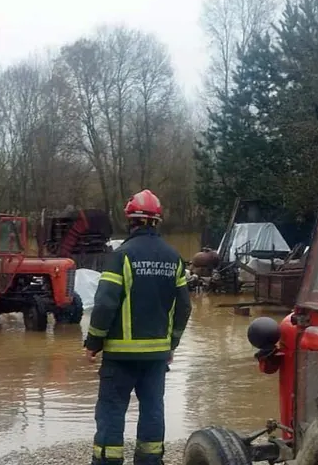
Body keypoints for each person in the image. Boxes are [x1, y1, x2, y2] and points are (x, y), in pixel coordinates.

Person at [84, 189, 192, 465]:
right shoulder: (174, 258)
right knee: (153, 410)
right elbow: (184, 307)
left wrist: (93, 342)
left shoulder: (121, 256)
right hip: (156, 356)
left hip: (120, 357)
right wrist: (172, 344)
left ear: (131, 221)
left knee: (111, 410)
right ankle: (150, 461)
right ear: (157, 221)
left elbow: (105, 304)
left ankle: (107, 462)